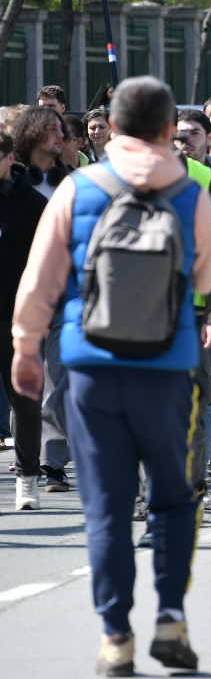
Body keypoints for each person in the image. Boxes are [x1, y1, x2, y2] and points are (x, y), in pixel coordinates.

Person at [11, 76, 211, 675]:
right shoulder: (190, 192)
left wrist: (26, 349)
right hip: (168, 366)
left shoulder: (77, 190)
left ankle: (114, 636)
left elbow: (41, 280)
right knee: (173, 498)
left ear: (110, 125)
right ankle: (172, 619)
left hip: (89, 366)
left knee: (105, 506)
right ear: (165, 129)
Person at [0, 129, 49, 511]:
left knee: (25, 399)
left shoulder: (31, 203)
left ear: (8, 159)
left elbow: (45, 263)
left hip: (17, 317)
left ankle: (28, 477)